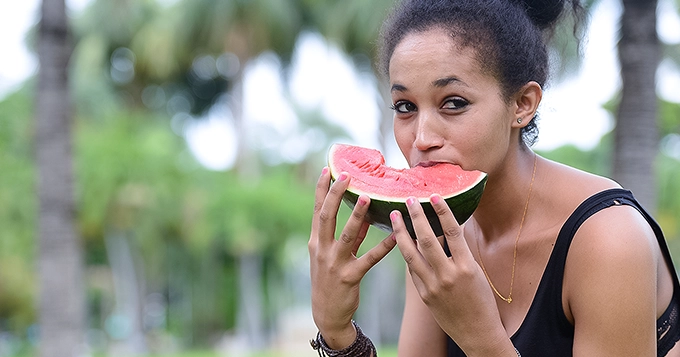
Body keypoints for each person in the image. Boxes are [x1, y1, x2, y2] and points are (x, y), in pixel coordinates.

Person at [307, 0, 680, 355]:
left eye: (453, 103)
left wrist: (481, 339)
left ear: (522, 104)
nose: (421, 138)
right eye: (405, 107)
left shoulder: (608, 238)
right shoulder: (431, 234)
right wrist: (338, 333)